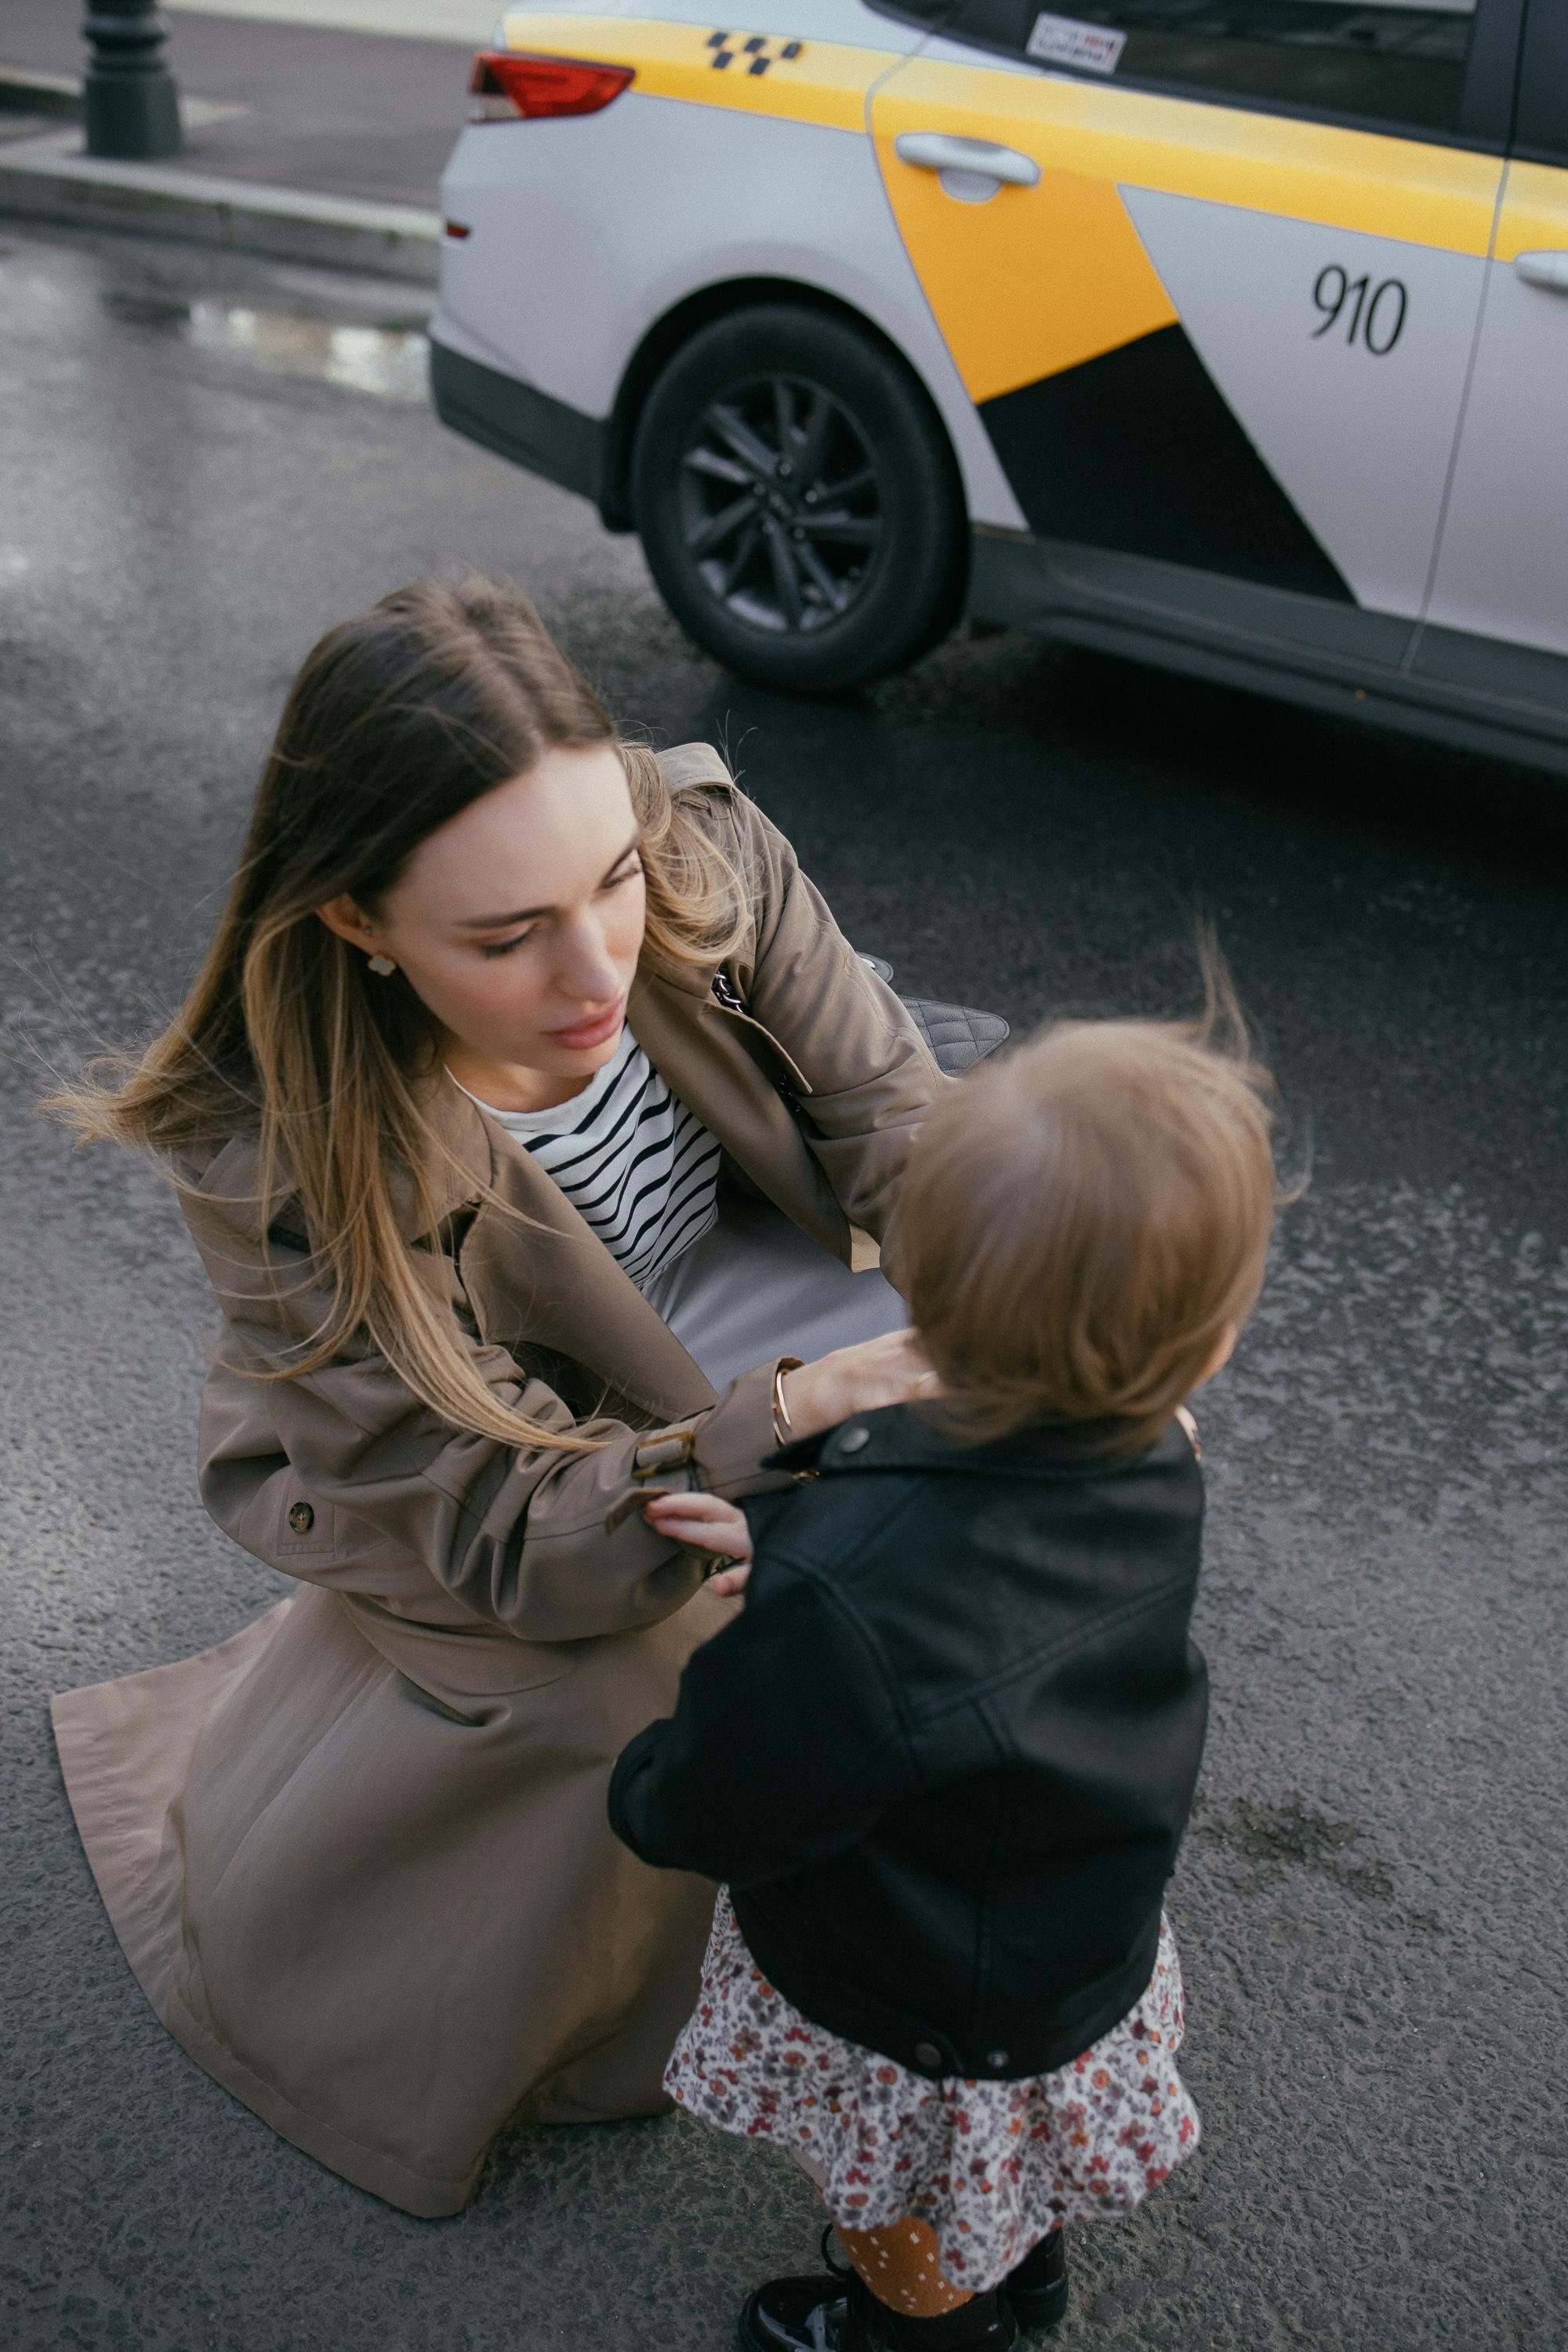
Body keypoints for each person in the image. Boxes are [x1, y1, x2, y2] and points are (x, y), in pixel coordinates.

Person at [42, 576, 945, 2218]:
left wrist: (1060, 1317)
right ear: (357, 923)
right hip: (478, 1452)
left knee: (988, 1468)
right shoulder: (276, 1150)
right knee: (642, 1677)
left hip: (718, 1300)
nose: (595, 969)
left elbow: (905, 1129)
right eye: (505, 935)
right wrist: (787, 1426)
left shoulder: (696, 842)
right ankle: (583, 1991)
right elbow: (497, 1518)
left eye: (608, 881)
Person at [608, 1000, 1283, 2350]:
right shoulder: (1157, 1451)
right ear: (1205, 1348)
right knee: (998, 2157)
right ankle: (1017, 2259)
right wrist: (816, 1536)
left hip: (916, 1989)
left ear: (917, 1306)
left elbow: (737, 1792)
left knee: (905, 2192)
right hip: (1073, 1917)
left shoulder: (856, 1596)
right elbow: (979, 1576)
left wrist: (650, 1780)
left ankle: (920, 2327)